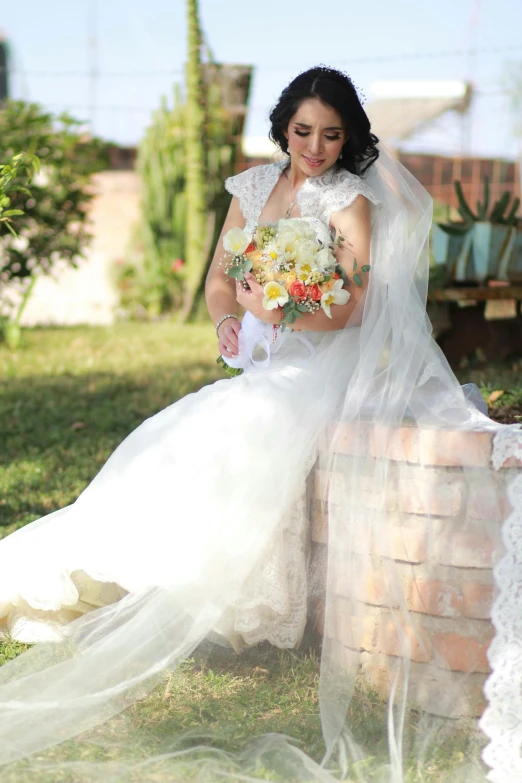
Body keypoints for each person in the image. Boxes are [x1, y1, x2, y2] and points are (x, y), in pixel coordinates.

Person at [0, 66, 520, 782]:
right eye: (303, 130)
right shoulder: (251, 189)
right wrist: (227, 318)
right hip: (264, 357)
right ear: (283, 127)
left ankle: (176, 580)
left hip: (325, 364)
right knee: (173, 428)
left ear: (348, 138)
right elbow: (221, 276)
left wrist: (282, 310)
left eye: (331, 134)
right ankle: (100, 562)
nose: (314, 145)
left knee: (242, 420)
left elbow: (356, 307)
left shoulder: (350, 201)